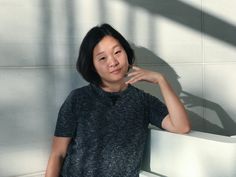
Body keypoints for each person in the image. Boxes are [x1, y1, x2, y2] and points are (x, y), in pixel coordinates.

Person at [45, 23, 191, 177]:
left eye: (117, 52)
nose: (113, 62)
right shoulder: (77, 99)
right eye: (102, 58)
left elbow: (181, 127)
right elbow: (57, 154)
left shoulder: (142, 101)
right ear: (92, 65)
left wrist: (161, 80)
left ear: (126, 54)